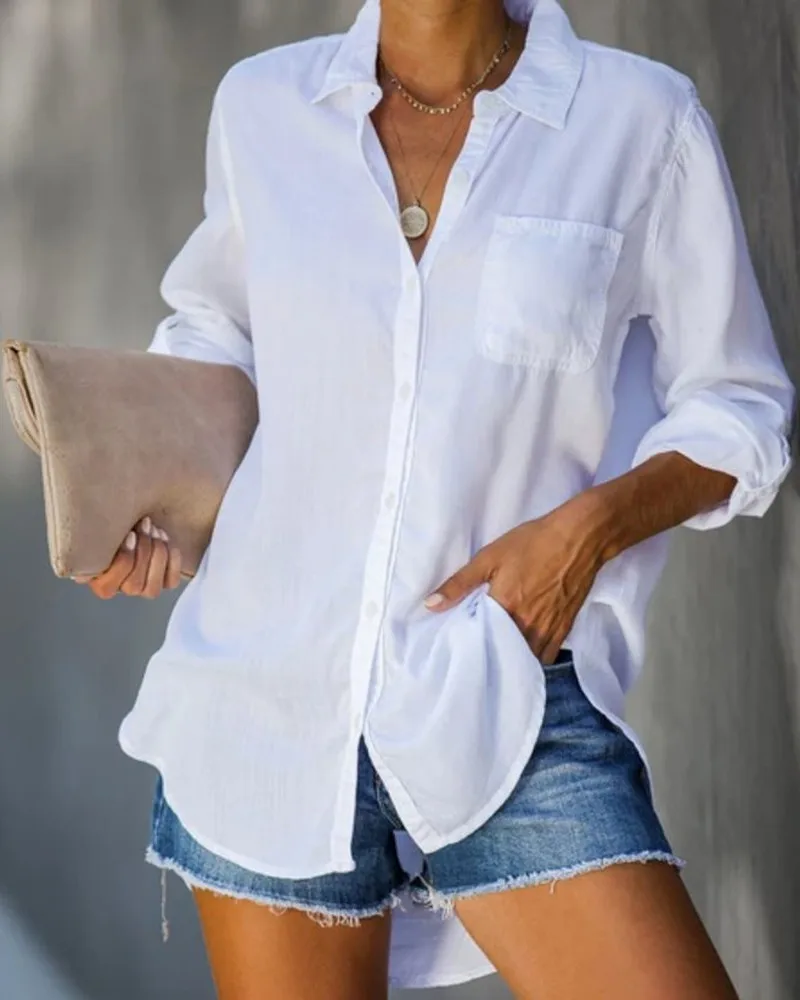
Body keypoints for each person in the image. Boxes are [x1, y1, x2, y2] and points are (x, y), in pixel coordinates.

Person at [76, 0, 794, 997]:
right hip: (268, 697)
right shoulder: (263, 106)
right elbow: (215, 338)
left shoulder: (639, 122)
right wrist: (153, 497)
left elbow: (739, 406)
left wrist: (583, 534)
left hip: (507, 685)